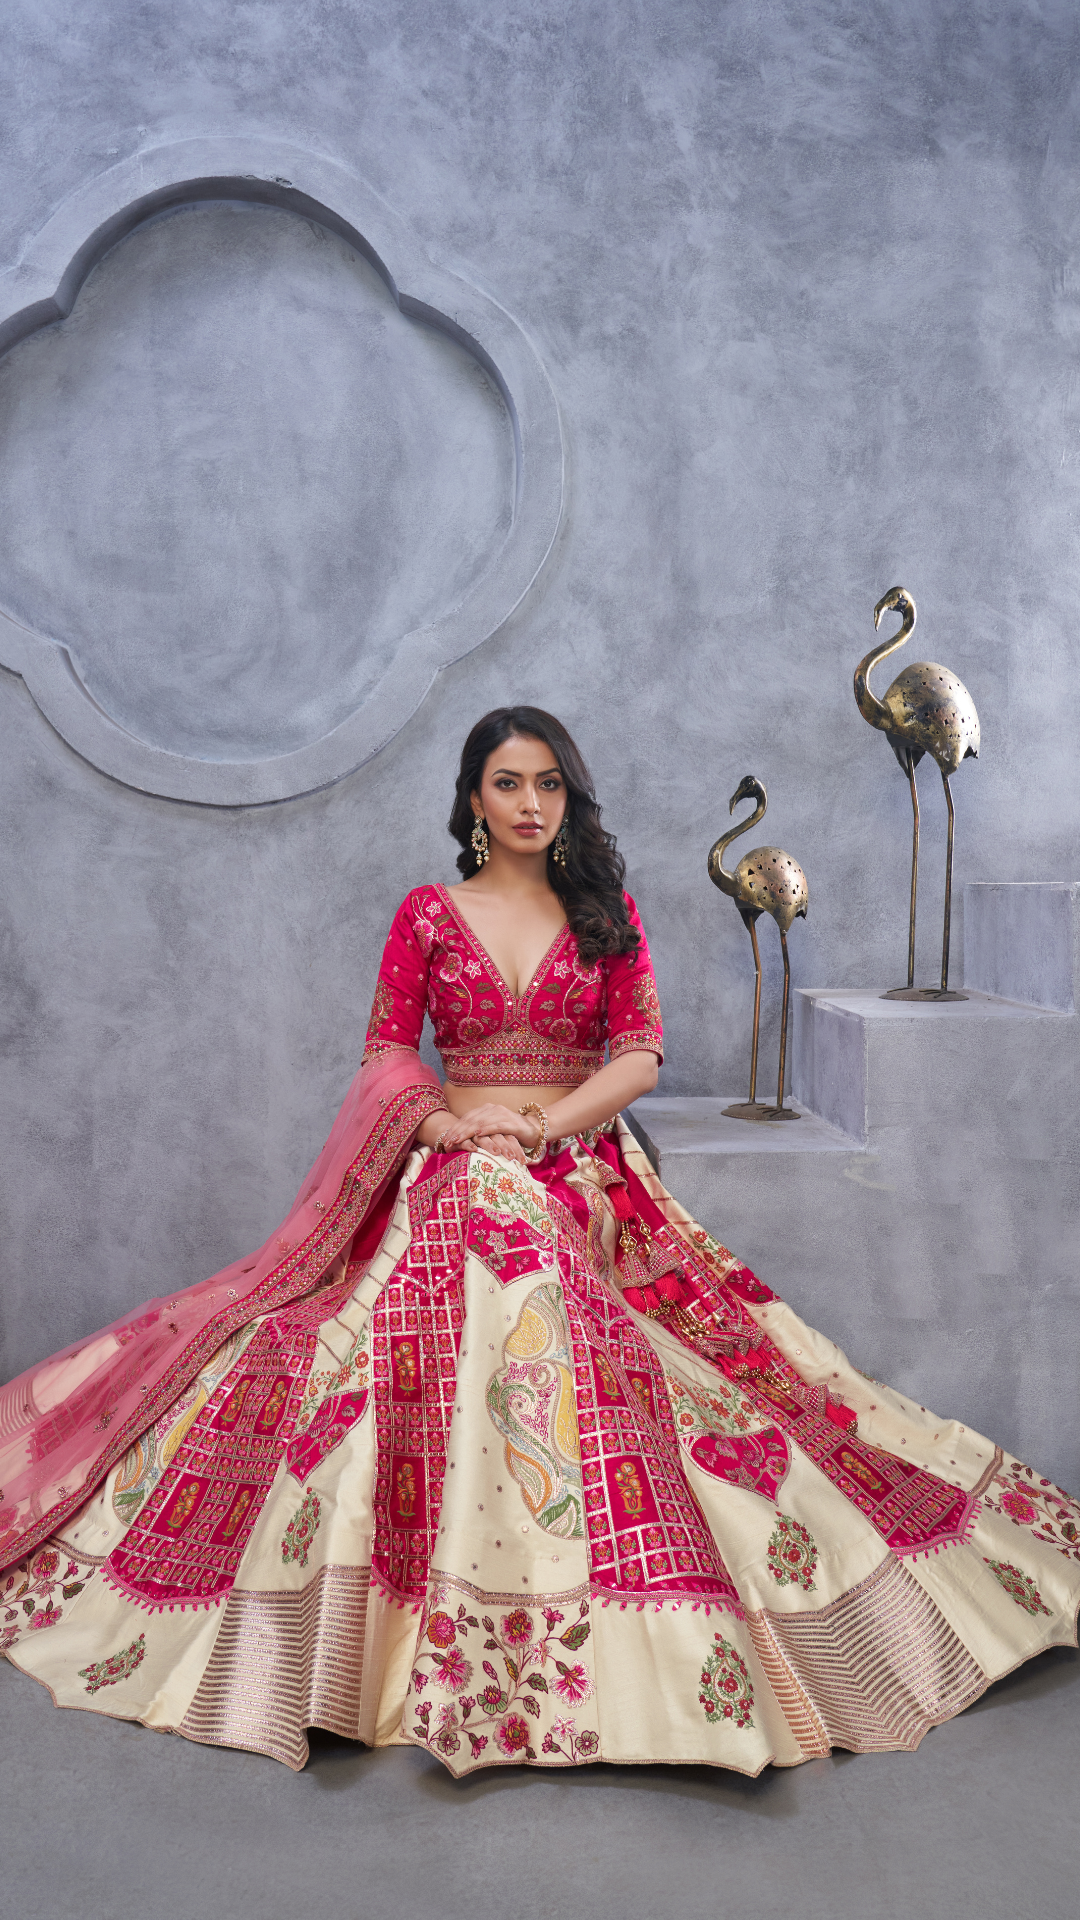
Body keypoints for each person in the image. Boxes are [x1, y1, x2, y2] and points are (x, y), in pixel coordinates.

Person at [2, 706, 1078, 1776]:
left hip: (581, 1170)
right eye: (509, 783)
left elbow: (641, 1053)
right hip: (446, 1163)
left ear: (570, 797)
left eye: (549, 784)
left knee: (525, 1221)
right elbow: (384, 1054)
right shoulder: (428, 912)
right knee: (455, 1227)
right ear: (474, 797)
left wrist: (533, 1128)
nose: (530, 804)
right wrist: (447, 1126)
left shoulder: (604, 913)